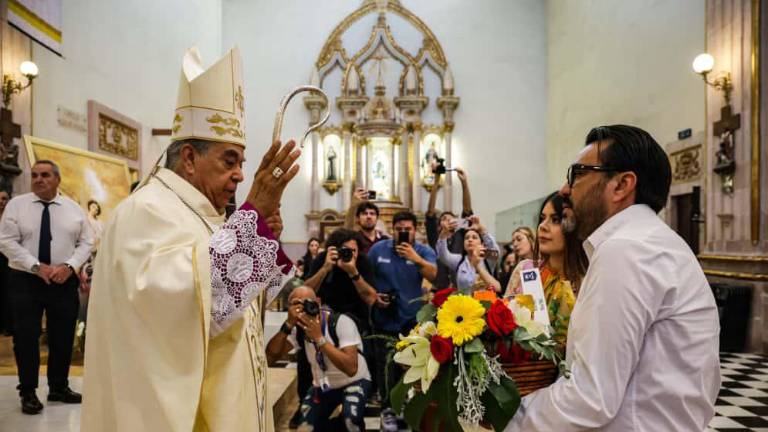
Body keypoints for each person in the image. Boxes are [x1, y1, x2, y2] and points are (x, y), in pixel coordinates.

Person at [81, 47, 297, 431]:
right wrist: (251, 223)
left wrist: (259, 232)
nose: (239, 176)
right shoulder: (146, 211)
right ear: (189, 158)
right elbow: (184, 306)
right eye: (228, 161)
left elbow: (236, 304)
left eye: (241, 165)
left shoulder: (201, 213)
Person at [505, 125, 720, 431]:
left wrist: (503, 418)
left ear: (621, 185)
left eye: (577, 174)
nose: (565, 190)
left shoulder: (626, 250)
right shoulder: (651, 241)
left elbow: (589, 399)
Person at [0, 160, 94, 415]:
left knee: (62, 335)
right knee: (26, 336)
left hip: (63, 281)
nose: (38, 179)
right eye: (35, 175)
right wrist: (36, 266)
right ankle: (28, 391)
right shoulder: (17, 206)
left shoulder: (73, 209)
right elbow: (6, 242)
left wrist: (70, 266)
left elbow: (87, 242)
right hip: (25, 280)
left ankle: (58, 387)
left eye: (45, 175)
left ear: (57, 179)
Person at [266, 286, 371, 432]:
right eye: (298, 305)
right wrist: (288, 324)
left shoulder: (340, 322)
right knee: (305, 427)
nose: (305, 309)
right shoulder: (298, 329)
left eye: (308, 303)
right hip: (323, 385)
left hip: (354, 381)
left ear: (319, 302)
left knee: (351, 422)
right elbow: (270, 357)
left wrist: (320, 339)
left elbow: (351, 368)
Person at [368, 211, 437, 431]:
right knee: (386, 368)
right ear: (393, 229)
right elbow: (366, 277)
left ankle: (408, 407)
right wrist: (374, 297)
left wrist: (414, 259)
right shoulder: (379, 249)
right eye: (399, 229)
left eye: (407, 229)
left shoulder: (423, 251)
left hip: (412, 320)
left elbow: (434, 275)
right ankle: (387, 410)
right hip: (385, 318)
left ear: (415, 230)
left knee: (412, 367)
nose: (403, 232)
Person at [504, 192, 587, 346]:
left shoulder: (586, 280)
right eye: (542, 219)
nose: (542, 226)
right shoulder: (525, 269)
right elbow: (503, 321)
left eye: (555, 220)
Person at [425, 167, 473, 289]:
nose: (447, 220)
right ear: (439, 225)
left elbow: (467, 210)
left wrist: (464, 183)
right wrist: (436, 181)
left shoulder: (461, 235)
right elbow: (430, 212)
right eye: (443, 219)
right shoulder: (435, 237)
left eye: (450, 218)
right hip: (439, 289)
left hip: (460, 288)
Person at [436, 215, 501, 294]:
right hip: (465, 304)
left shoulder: (487, 259)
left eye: (474, 237)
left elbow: (495, 251)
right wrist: (444, 233)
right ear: (463, 244)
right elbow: (443, 255)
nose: (470, 240)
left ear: (482, 243)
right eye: (466, 238)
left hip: (485, 304)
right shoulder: (459, 260)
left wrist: (481, 229)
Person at [344, 188, 389, 254]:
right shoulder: (354, 239)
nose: (368, 216)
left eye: (372, 214)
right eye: (364, 214)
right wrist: (354, 205)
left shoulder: (384, 240)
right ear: (358, 218)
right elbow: (347, 230)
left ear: (377, 218)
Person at [0, 189, 12, 335]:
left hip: (8, 260)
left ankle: (8, 325)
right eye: (0, 199)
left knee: (8, 293)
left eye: (4, 199)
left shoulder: (12, 218)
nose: (2, 202)